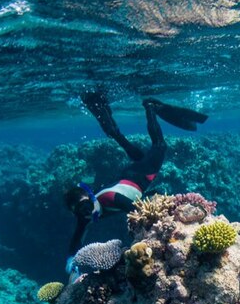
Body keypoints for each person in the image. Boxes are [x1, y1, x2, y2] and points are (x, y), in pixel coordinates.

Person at [64, 90, 208, 279]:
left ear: (90, 196)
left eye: (84, 206)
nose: (84, 212)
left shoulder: (109, 198)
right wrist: (70, 260)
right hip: (127, 176)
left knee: (160, 146)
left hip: (141, 176)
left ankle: (150, 107)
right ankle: (115, 133)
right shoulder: (85, 215)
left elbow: (138, 211)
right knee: (138, 155)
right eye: (78, 211)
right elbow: (77, 238)